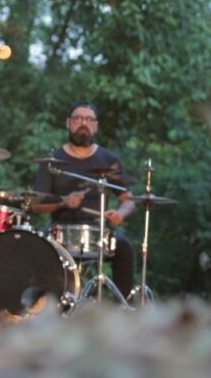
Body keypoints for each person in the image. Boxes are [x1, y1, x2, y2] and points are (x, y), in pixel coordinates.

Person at [31, 101, 137, 299]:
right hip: (60, 230)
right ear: (68, 123)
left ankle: (123, 307)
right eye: (78, 119)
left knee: (125, 247)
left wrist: (120, 213)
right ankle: (43, 306)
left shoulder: (109, 160)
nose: (83, 123)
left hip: (100, 232)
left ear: (95, 126)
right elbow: (37, 204)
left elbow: (128, 199)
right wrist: (63, 201)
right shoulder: (52, 159)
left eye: (89, 120)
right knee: (36, 245)